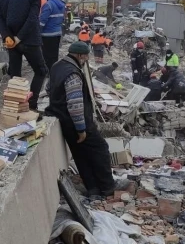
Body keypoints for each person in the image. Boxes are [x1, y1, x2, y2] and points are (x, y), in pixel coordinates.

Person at [45, 41, 125, 197]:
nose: (87, 59)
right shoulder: (73, 74)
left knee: (80, 155)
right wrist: (81, 129)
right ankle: (108, 187)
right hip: (76, 122)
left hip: (61, 119)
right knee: (100, 149)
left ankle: (93, 189)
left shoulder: (57, 66)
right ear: (79, 55)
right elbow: (75, 105)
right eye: (86, 56)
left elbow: (49, 88)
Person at [0, 0, 47, 110]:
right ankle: (31, 104)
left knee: (15, 75)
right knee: (41, 70)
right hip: (29, 40)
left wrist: (7, 36)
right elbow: (32, 19)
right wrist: (20, 37)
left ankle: (16, 105)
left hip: (11, 42)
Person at [39, 0, 65, 69]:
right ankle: (54, 71)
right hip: (57, 33)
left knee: (47, 56)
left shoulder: (48, 5)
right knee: (54, 55)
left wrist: (37, 31)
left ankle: (49, 73)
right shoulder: (61, 4)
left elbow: (42, 21)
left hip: (47, 34)